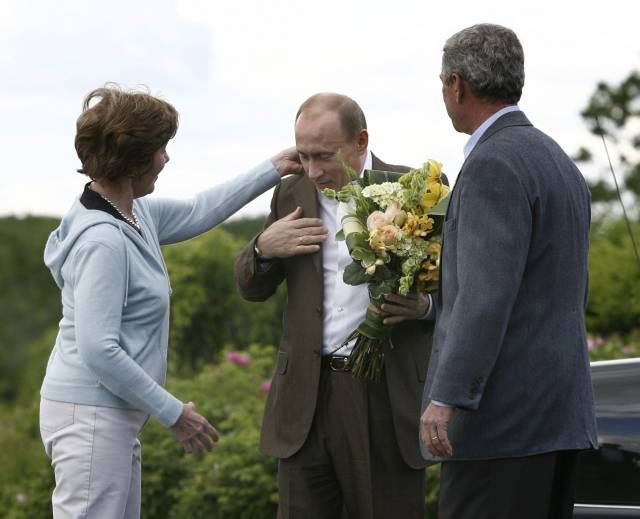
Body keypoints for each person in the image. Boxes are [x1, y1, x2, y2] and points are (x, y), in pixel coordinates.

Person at [39, 84, 302, 518]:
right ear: (133, 159)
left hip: (111, 416)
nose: (166, 158)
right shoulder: (103, 241)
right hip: (89, 417)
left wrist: (274, 168)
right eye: (161, 149)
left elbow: (200, 210)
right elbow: (98, 349)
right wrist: (173, 412)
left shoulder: (131, 212)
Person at [419, 24, 598, 519]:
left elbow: (482, 298)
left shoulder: (492, 165)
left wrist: (446, 397)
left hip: (502, 426)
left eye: (441, 82)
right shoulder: (559, 161)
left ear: (457, 85)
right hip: (560, 418)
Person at [235, 93, 441, 518]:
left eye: (324, 156)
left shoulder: (416, 191)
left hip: (384, 392)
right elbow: (251, 288)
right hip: (305, 398)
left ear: (360, 141)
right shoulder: (290, 193)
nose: (312, 170)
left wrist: (424, 309)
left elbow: (458, 287)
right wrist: (262, 248)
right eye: (304, 155)